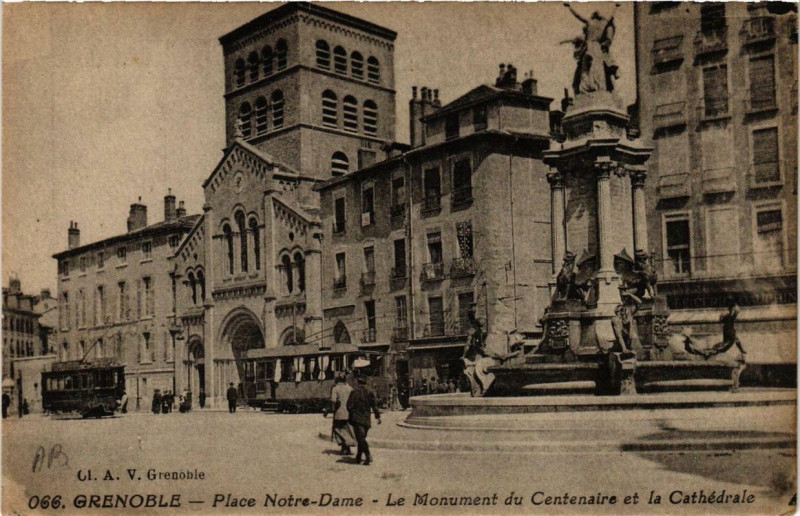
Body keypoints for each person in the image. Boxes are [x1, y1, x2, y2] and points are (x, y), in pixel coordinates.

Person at [347, 375, 381, 466]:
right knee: (361, 438)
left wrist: (351, 414)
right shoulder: (369, 392)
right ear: (365, 382)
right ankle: (358, 457)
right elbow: (374, 406)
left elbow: (349, 406)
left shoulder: (354, 392)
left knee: (360, 439)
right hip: (366, 419)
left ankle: (368, 455)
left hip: (357, 419)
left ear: (358, 382)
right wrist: (378, 417)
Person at [329, 373, 355, 455]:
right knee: (348, 430)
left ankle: (344, 447)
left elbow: (333, 400)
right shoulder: (350, 388)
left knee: (338, 430)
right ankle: (347, 447)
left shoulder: (335, 388)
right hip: (349, 413)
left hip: (339, 413)